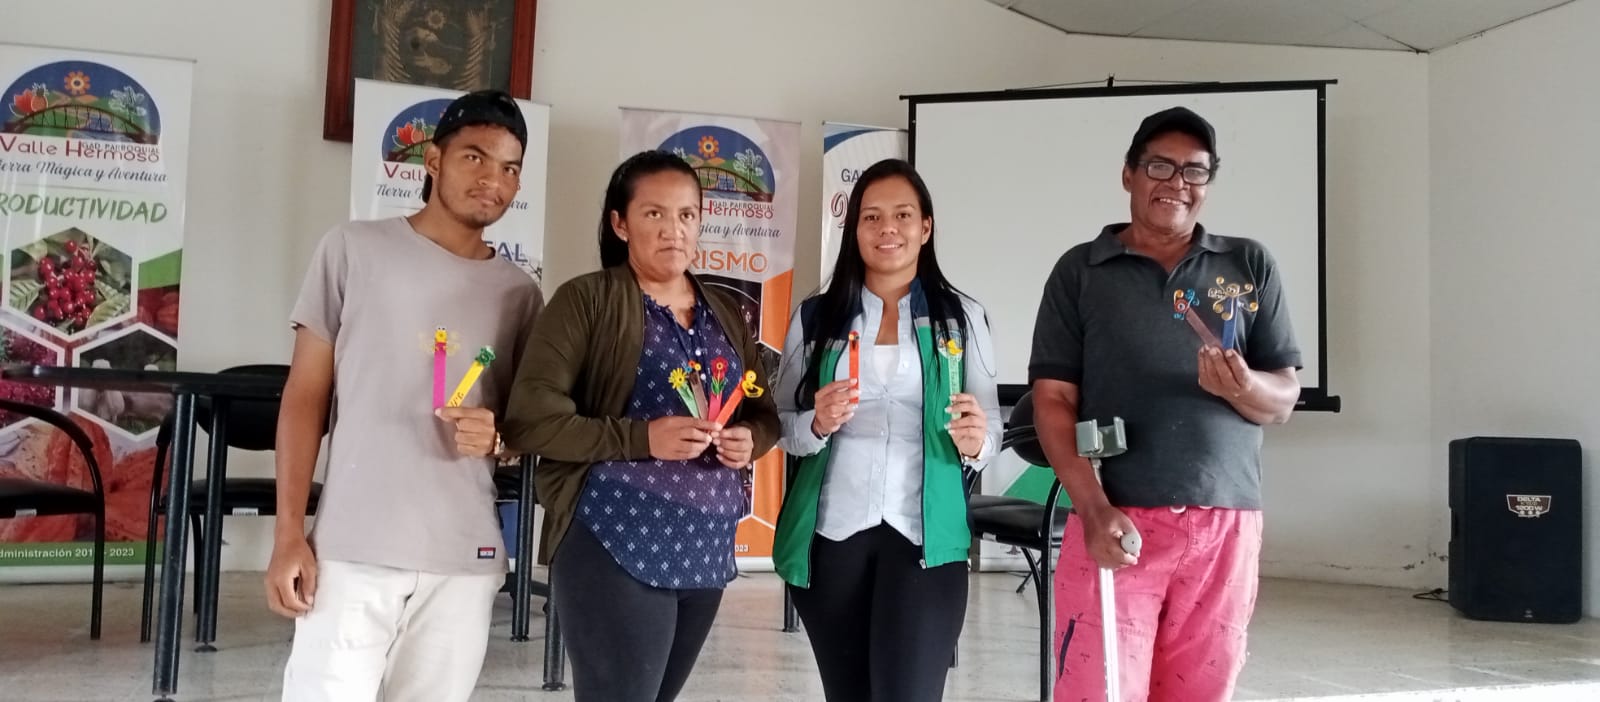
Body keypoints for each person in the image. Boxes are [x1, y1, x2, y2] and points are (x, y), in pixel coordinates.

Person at [265, 89, 544, 701]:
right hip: (353, 548)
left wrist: (499, 437)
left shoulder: (520, 293)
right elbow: (305, 397)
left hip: (464, 556)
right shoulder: (352, 249)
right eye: (475, 157)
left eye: (509, 168)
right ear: (433, 160)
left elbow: (524, 427)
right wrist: (289, 533)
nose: (492, 180)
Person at [1028, 106, 1302, 702]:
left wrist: (1242, 388)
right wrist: (1093, 509)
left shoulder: (1248, 264)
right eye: (1160, 166)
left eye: (1195, 171)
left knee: (1200, 691)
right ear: (1128, 174)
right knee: (1099, 690)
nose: (1177, 182)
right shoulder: (1080, 271)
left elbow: (1282, 399)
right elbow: (1053, 400)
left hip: (1225, 524)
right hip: (1115, 518)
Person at [499, 150, 781, 702]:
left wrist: (751, 440)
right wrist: (641, 437)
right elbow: (530, 420)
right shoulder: (587, 300)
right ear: (620, 223)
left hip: (705, 547)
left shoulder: (725, 311)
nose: (673, 229)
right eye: (654, 213)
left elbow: (762, 412)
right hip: (613, 536)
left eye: (686, 215)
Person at [772, 158, 1002, 702]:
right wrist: (816, 423)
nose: (887, 228)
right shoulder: (816, 317)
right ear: (854, 230)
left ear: (925, 227)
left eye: (902, 215)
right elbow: (780, 425)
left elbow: (990, 425)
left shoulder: (962, 317)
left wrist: (978, 442)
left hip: (925, 538)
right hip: (832, 535)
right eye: (871, 217)